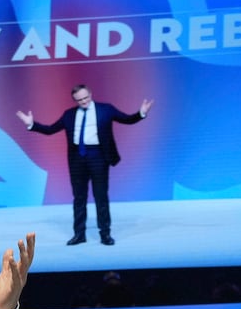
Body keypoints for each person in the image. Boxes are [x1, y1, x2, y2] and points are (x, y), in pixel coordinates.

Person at [17, 84, 153, 246]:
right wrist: (31, 124)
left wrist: (142, 113)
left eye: (86, 98)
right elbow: (50, 129)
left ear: (90, 94)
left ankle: (105, 234)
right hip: (77, 160)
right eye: (79, 100)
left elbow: (127, 119)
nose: (83, 102)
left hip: (99, 157)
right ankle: (79, 234)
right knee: (79, 198)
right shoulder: (69, 115)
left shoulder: (106, 109)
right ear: (75, 100)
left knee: (100, 196)